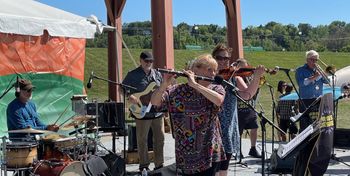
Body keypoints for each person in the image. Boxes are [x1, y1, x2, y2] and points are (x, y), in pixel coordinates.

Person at [151, 54, 226, 176]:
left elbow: (218, 100)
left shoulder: (216, 88)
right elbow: (155, 102)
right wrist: (164, 84)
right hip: (186, 154)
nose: (213, 74)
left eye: (214, 70)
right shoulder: (178, 91)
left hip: (209, 151)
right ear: (196, 70)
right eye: (209, 69)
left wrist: (195, 85)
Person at [212, 44, 265, 175]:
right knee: (212, 168)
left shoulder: (234, 77)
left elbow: (247, 95)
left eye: (227, 58)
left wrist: (257, 77)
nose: (224, 61)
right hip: (211, 127)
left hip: (228, 126)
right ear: (213, 58)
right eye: (220, 58)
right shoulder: (207, 76)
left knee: (224, 167)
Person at [122, 51, 164, 172]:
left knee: (159, 138)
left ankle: (159, 165)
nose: (149, 63)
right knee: (142, 139)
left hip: (156, 111)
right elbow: (122, 88)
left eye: (151, 61)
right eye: (146, 61)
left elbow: (162, 89)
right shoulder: (132, 74)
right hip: (141, 111)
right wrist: (129, 96)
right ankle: (144, 165)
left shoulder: (157, 74)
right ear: (140, 60)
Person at [293, 50, 329, 175]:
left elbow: (328, 82)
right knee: (305, 126)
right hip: (306, 101)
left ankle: (317, 149)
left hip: (319, 100)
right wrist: (315, 76)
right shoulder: (300, 70)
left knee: (319, 125)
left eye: (316, 60)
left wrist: (323, 74)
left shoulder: (317, 70)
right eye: (312, 60)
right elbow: (303, 83)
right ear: (307, 59)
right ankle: (305, 152)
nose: (314, 62)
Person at [235, 58, 263, 158]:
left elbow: (254, 90)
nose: (244, 69)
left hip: (250, 106)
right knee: (239, 131)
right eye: (241, 67)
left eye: (245, 66)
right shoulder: (236, 77)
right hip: (239, 108)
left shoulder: (250, 77)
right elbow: (245, 91)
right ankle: (238, 150)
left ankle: (253, 148)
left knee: (254, 128)